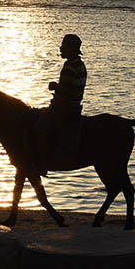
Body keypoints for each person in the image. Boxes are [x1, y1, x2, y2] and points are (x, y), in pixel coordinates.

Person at [33, 34, 87, 175]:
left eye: (64, 45)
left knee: (39, 128)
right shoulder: (78, 64)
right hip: (71, 105)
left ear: (71, 48)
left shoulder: (70, 66)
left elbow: (68, 89)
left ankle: (42, 163)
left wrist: (55, 87)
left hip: (65, 107)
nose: (60, 48)